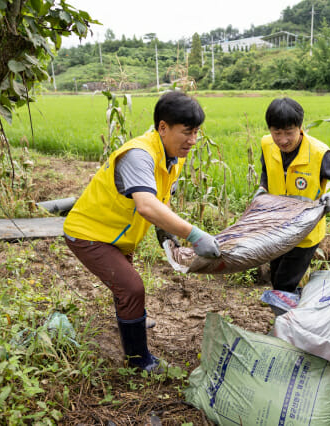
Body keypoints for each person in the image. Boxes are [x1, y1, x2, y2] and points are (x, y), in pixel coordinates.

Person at [63, 91, 220, 372]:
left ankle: (131, 317)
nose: (193, 140)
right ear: (163, 127)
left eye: (196, 132)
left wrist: (167, 236)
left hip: (117, 236)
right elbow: (147, 206)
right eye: (187, 132)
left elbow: (161, 202)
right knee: (132, 287)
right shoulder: (139, 156)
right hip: (89, 234)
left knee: (125, 287)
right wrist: (194, 234)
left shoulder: (172, 156)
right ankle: (138, 360)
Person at [255, 97, 330, 294]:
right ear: (270, 130)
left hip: (305, 232)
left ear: (300, 127)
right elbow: (266, 170)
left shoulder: (319, 153)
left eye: (289, 133)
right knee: (277, 279)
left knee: (283, 284)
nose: (282, 140)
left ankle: (290, 320)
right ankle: (291, 313)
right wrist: (263, 188)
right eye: (277, 133)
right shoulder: (267, 144)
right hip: (276, 227)